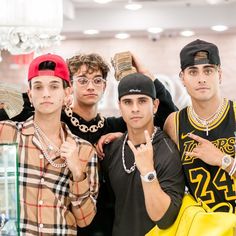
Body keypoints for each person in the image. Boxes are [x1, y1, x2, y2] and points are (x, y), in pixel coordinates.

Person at [0, 53, 177, 236]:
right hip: (61, 225)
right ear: (70, 85)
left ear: (105, 86)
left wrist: (146, 75)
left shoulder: (116, 126)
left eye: (97, 80)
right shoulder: (52, 119)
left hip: (107, 223)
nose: (91, 86)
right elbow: (10, 107)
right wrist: (51, 91)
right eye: (82, 80)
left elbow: (167, 117)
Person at [0, 54, 99, 235]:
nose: (45, 93)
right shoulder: (6, 132)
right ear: (30, 94)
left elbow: (85, 220)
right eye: (38, 87)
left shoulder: (84, 150)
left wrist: (77, 172)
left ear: (67, 93)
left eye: (54, 86)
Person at [102, 73, 185, 236]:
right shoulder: (112, 148)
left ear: (155, 105)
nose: (135, 109)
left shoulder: (168, 151)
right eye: (128, 102)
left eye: (142, 101)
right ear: (119, 106)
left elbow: (165, 219)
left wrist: (148, 172)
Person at [164, 39, 236, 211]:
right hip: (201, 226)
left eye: (208, 70)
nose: (201, 79)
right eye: (193, 72)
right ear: (182, 78)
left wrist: (224, 160)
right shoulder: (174, 123)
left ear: (219, 74)